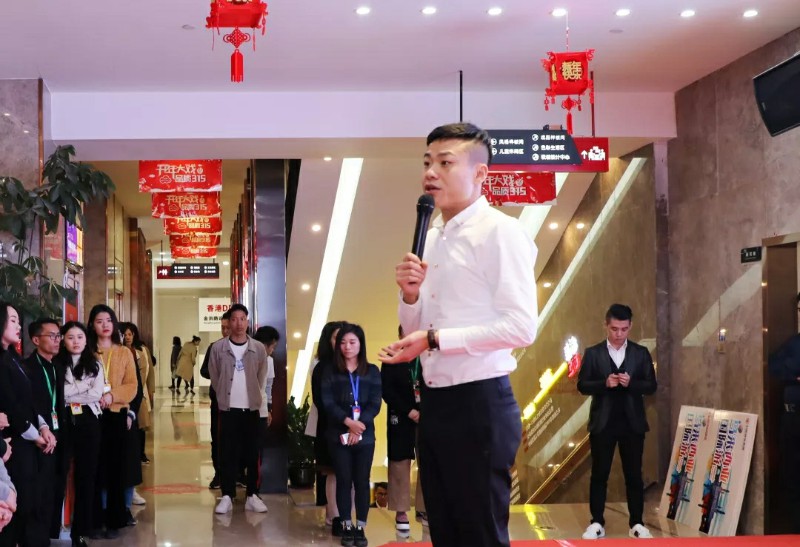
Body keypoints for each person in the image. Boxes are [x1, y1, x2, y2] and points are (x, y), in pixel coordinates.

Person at [379, 122, 537, 547]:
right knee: (443, 531)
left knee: (480, 534)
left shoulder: (500, 232)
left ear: (480, 173)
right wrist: (409, 296)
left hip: (480, 403)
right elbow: (413, 329)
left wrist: (435, 340)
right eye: (427, 162)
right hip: (435, 404)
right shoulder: (431, 237)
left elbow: (522, 326)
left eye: (446, 163)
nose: (431, 173)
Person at [577, 304, 657, 540]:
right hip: (603, 424)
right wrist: (604, 383)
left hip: (632, 424)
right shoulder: (593, 353)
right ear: (606, 325)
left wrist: (631, 383)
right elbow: (582, 385)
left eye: (623, 329)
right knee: (599, 474)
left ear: (630, 327)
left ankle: (637, 523)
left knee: (634, 475)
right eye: (614, 329)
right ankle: (596, 522)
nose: (619, 334)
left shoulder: (640, 353)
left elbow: (651, 386)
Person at [0, 315, 60, 547]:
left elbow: (29, 400)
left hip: (29, 437)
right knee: (17, 506)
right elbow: (12, 405)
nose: (18, 326)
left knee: (30, 500)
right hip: (13, 441)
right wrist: (34, 434)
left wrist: (42, 426)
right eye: (13, 320)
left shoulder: (12, 358)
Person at [322, 323, 382, 547]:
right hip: (339, 434)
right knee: (344, 480)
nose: (347, 346)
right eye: (343, 342)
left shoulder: (372, 371)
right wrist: (348, 423)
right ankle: (346, 525)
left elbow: (375, 403)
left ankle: (361, 527)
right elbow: (328, 403)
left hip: (365, 436)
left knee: (362, 481)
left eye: (352, 342)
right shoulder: (330, 371)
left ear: (360, 344)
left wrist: (359, 425)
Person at [208, 304, 269, 515]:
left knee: (252, 453)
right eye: (234, 319)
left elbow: (261, 376)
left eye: (243, 319)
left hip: (251, 409)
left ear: (247, 321)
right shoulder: (218, 348)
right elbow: (214, 376)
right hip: (228, 409)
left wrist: (254, 394)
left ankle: (252, 495)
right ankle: (227, 495)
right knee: (227, 453)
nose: (239, 324)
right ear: (229, 322)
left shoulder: (258, 348)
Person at [87, 304, 138, 539]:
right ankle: (95, 520)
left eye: (108, 320)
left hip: (116, 415)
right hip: (91, 414)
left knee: (117, 468)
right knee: (95, 468)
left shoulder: (124, 352)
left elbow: (132, 385)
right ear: (92, 325)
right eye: (99, 321)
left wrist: (112, 396)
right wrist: (96, 397)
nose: (105, 325)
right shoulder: (87, 351)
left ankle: (115, 520)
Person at [59, 321, 105, 547]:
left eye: (79, 337)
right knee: (60, 472)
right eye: (70, 337)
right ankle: (56, 528)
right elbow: (60, 394)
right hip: (64, 420)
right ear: (63, 340)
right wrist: (83, 387)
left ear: (86, 339)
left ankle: (81, 531)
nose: (75, 341)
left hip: (88, 422)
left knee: (86, 477)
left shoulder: (95, 363)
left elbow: (97, 394)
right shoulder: (57, 363)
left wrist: (73, 393)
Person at [24, 318, 67, 543]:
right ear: (35, 339)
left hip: (58, 435)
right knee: (39, 492)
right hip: (39, 438)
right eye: (51, 336)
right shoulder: (27, 368)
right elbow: (28, 406)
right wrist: (40, 430)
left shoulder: (57, 367)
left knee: (55, 489)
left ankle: (49, 536)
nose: (57, 340)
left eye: (58, 335)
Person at [381, 326, 425, 533]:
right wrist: (409, 410)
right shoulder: (391, 356)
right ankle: (401, 510)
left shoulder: (428, 355)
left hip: (427, 416)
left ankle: (425, 508)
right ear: (400, 335)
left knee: (429, 461)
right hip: (401, 415)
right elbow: (387, 390)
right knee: (399, 461)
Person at [767, 292, 800, 533]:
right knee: (790, 472)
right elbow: (773, 366)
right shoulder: (794, 343)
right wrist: (795, 373)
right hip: (791, 418)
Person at [308, 321, 345, 533]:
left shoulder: (355, 365)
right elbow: (320, 400)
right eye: (336, 338)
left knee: (349, 474)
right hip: (329, 426)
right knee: (332, 471)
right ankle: (334, 516)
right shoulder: (320, 367)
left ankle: (346, 517)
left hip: (352, 427)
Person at [200, 310, 231, 490]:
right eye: (222, 328)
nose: (225, 331)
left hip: (238, 402)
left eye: (228, 327)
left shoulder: (246, 347)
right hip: (219, 401)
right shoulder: (214, 347)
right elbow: (204, 370)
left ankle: (237, 474)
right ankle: (218, 474)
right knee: (217, 437)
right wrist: (217, 373)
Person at [122, 323, 153, 466]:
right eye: (125, 335)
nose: (127, 337)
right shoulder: (119, 351)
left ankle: (141, 453)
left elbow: (149, 372)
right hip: (124, 394)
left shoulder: (141, 351)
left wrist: (150, 390)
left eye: (130, 334)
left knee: (141, 425)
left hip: (141, 393)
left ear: (134, 335)